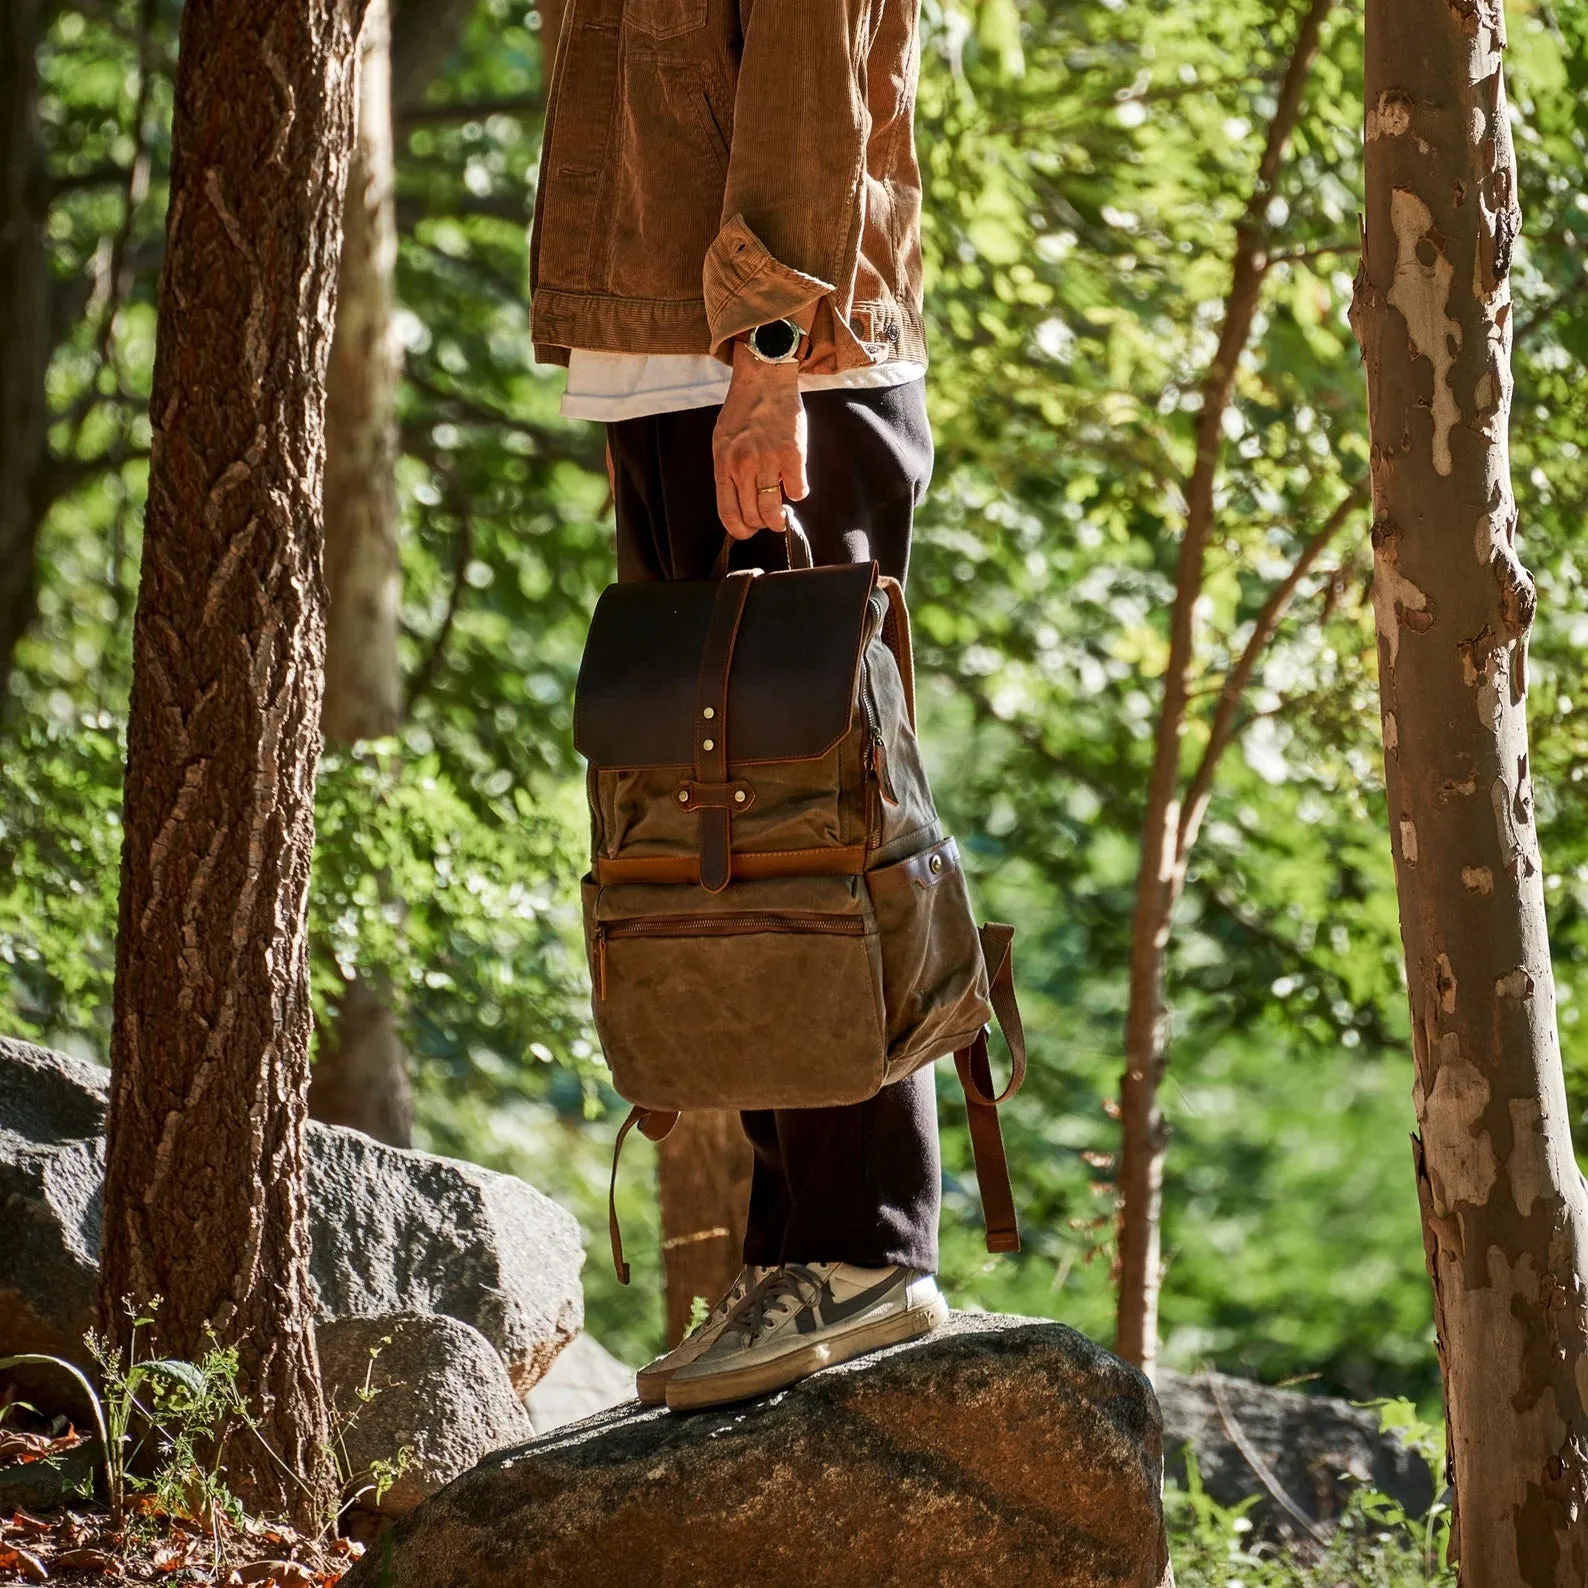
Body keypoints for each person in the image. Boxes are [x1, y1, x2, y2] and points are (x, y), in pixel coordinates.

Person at [531, 0, 943, 1411]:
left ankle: (865, 1249)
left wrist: (769, 355)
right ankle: (799, 1251)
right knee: (728, 836)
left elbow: (811, 88)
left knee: (808, 818)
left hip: (774, 374)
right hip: (676, 368)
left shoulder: (771, 364)